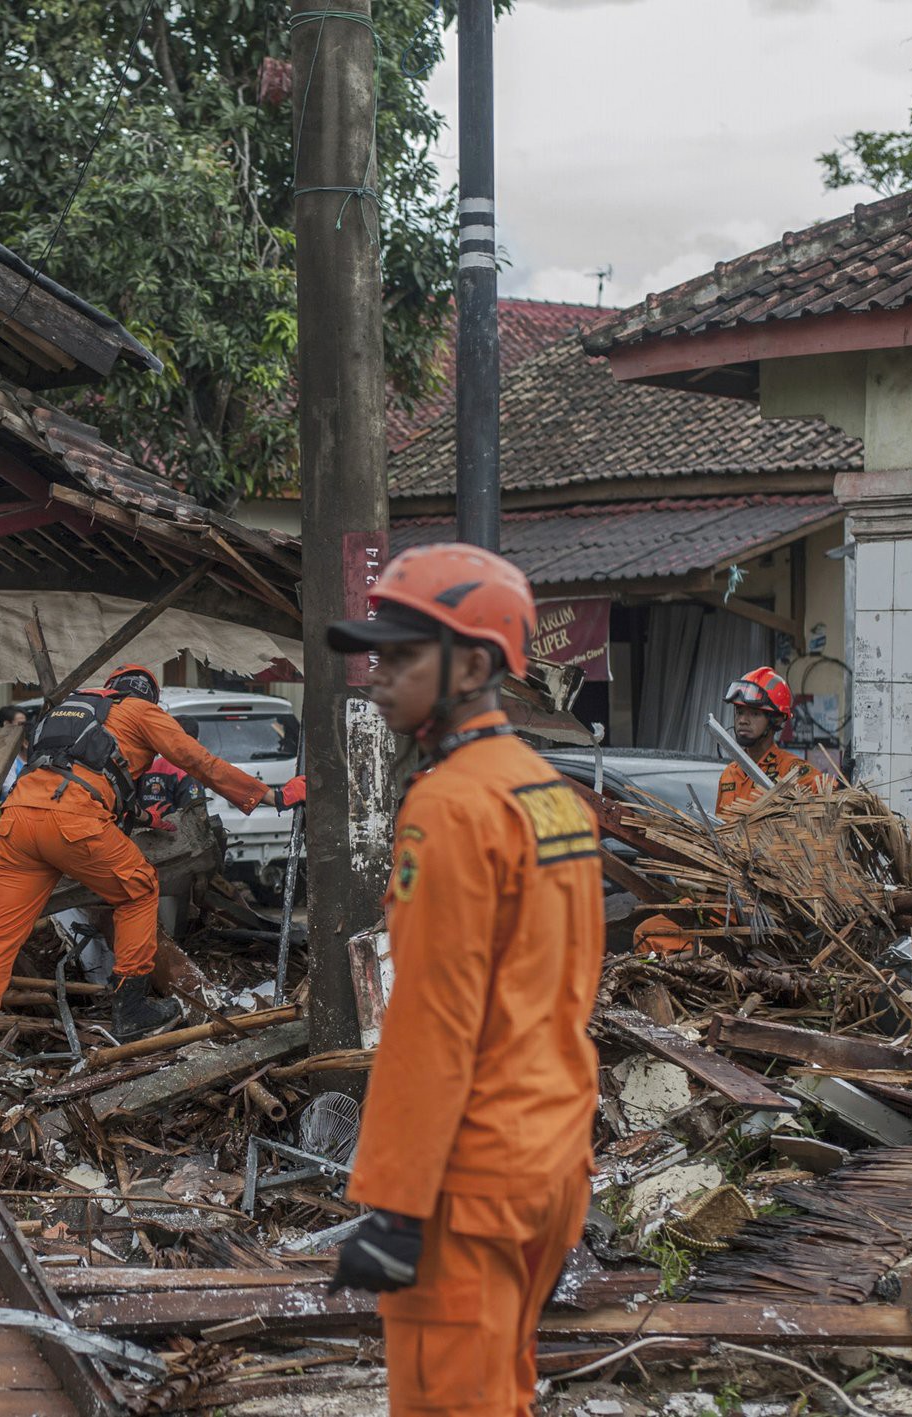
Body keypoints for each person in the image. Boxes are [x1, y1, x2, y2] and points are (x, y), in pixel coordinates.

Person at [325, 544, 603, 1417]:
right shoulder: (549, 793)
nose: (377, 674)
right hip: (551, 1155)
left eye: (402, 656)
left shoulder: (448, 806)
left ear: (475, 665)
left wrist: (394, 1204)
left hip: (468, 1178)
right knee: (500, 1389)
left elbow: (432, 1019)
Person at [0, 664, 304, 1090]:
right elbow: (195, 759)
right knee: (139, 889)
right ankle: (130, 1008)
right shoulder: (138, 710)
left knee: (0, 935)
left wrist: (140, 814)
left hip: (19, 821)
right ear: (146, 694)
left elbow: (80, 769)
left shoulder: (72, 710)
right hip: (74, 821)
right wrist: (270, 794)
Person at [716, 666, 813, 814]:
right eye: (740, 712)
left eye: (754, 714)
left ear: (777, 720)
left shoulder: (791, 771)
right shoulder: (729, 774)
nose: (742, 720)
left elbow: (832, 798)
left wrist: (843, 782)